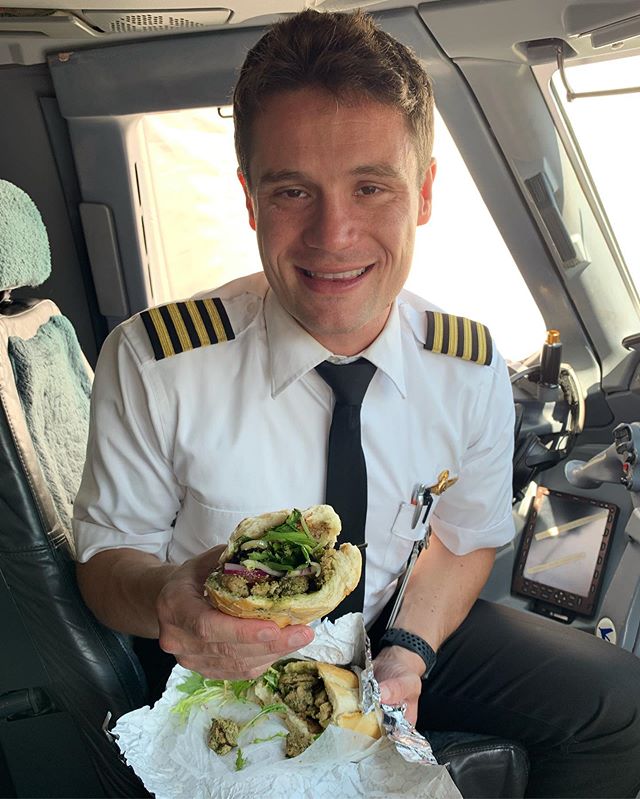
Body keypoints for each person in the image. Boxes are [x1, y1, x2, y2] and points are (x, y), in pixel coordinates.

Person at [72, 9, 640, 798]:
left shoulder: (465, 363)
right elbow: (105, 566)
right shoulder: (156, 358)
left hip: (385, 625)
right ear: (249, 198)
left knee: (614, 702)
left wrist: (410, 646)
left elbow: (468, 534)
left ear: (425, 193)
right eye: (293, 189)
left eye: (371, 186)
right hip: (231, 653)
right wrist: (170, 597)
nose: (333, 235)